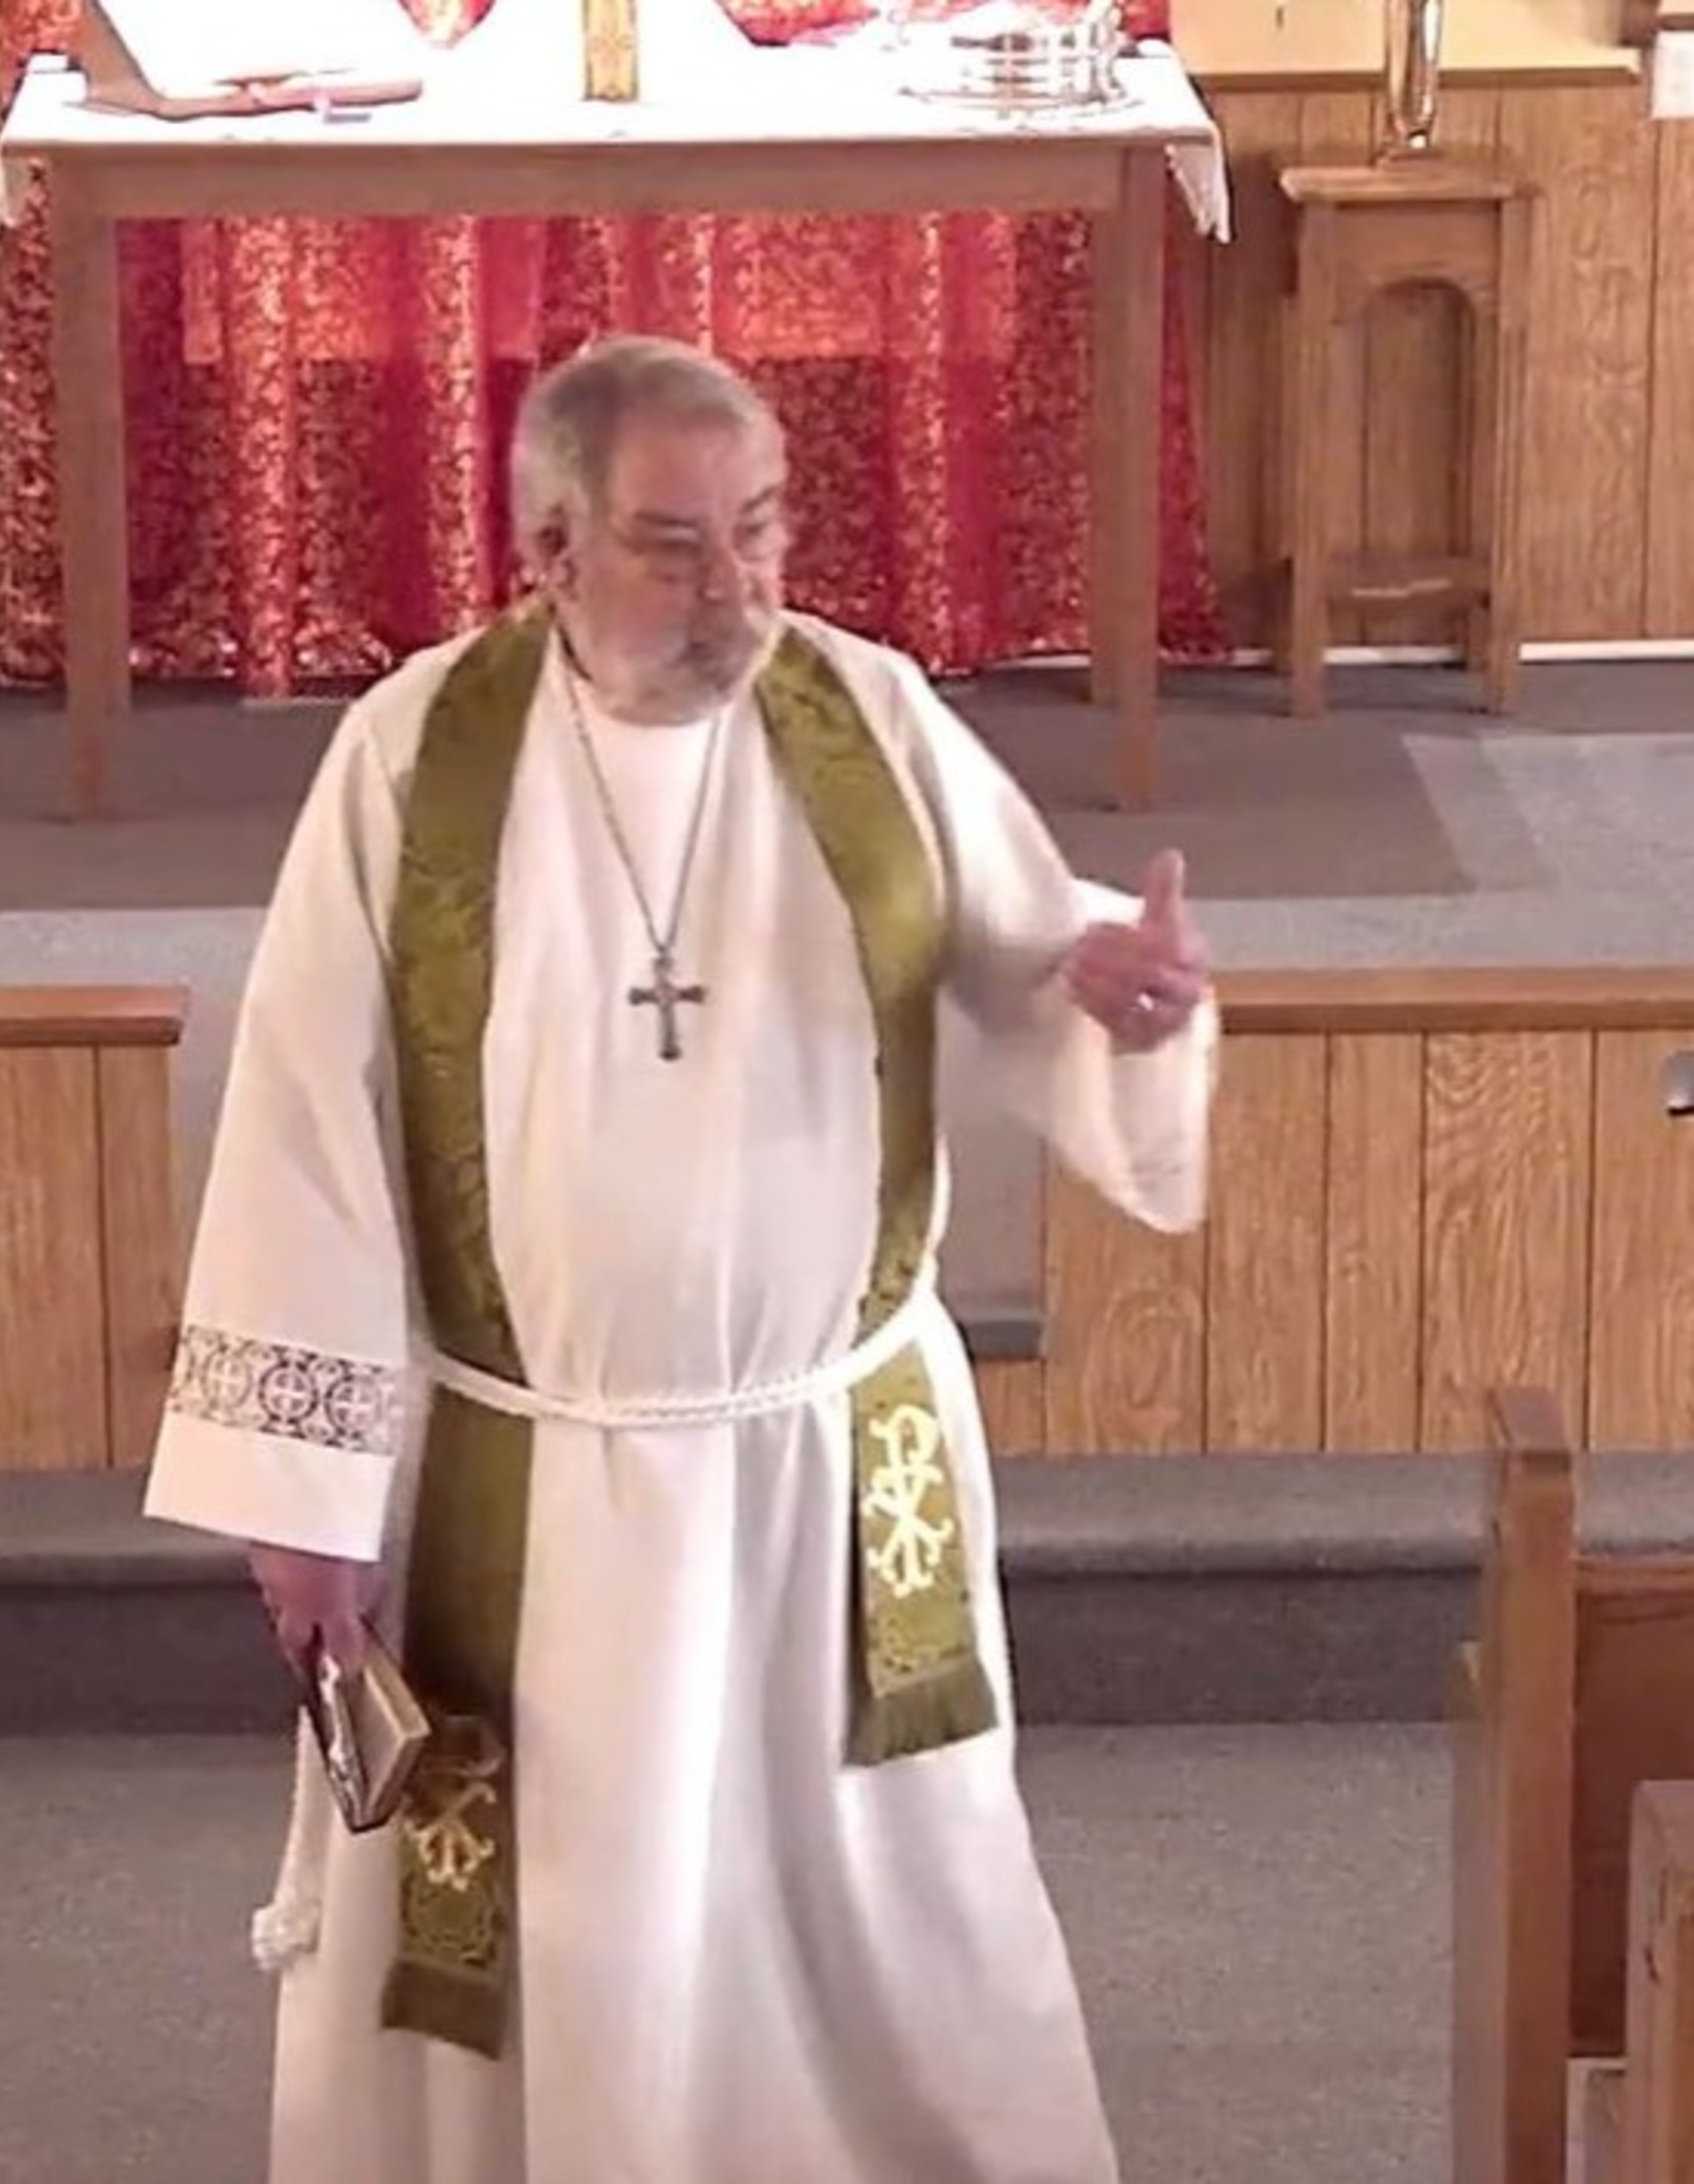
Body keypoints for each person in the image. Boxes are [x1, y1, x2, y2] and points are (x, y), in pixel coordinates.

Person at [145, 332, 1217, 2184]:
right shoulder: (415, 756)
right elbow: (301, 1113)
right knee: (574, 1923)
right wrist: (298, 1494)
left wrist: (1120, 992)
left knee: (905, 1900)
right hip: (532, 1484)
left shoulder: (865, 715)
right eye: (674, 543)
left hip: (833, 1460)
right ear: (550, 549)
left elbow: (1034, 951)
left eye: (764, 528)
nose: (736, 588)